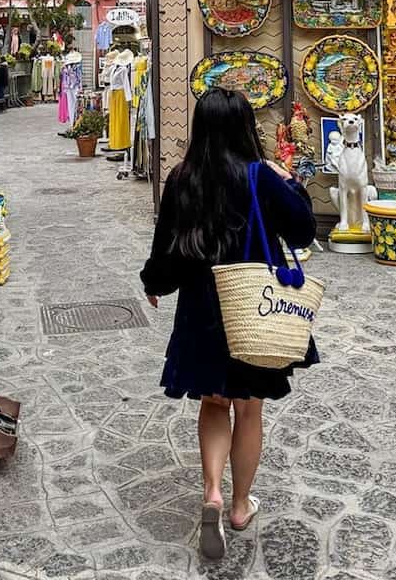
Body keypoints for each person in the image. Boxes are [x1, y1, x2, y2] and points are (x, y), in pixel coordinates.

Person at [140, 88, 317, 560]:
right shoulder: (261, 175)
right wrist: (291, 182)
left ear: (200, 127)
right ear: (245, 127)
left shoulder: (184, 177)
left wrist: (154, 282)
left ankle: (213, 493)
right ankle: (240, 506)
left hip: (202, 309)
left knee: (214, 405)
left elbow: (167, 242)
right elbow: (303, 231)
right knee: (249, 409)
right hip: (253, 310)